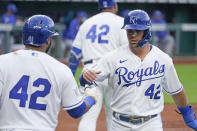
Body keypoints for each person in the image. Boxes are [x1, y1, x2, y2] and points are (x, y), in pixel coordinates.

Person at [79, 9, 197, 131]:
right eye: (130, 30)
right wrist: (84, 76)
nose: (133, 34)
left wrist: (188, 116)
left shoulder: (163, 59)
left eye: (138, 30)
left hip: (151, 124)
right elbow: (86, 79)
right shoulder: (112, 57)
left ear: (146, 31)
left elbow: (176, 90)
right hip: (119, 124)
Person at [0, 15, 98, 130]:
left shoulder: (2, 62)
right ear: (47, 40)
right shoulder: (61, 69)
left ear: (24, 37)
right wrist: (91, 97)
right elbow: (77, 111)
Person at [68, 0, 128, 130]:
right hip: (114, 72)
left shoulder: (86, 23)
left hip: (90, 72)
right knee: (114, 117)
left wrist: (70, 78)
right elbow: (128, 52)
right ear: (115, 6)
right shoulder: (121, 22)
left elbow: (74, 55)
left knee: (88, 116)